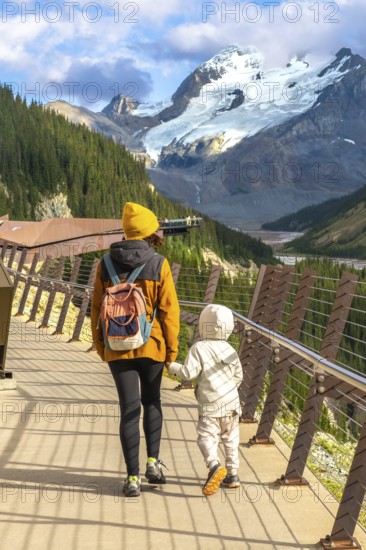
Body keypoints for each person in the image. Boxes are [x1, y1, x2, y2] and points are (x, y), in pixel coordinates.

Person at [91, 202, 180, 497]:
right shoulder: (159, 264)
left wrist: (101, 346)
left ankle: (132, 478)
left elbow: (95, 311)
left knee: (128, 409)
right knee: (152, 402)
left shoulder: (105, 264)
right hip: (152, 345)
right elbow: (169, 312)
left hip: (118, 346)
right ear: (149, 231)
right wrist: (171, 351)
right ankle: (153, 463)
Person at [168, 304, 243, 496]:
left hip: (210, 405)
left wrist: (171, 366)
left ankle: (214, 465)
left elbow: (188, 373)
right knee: (231, 439)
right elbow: (238, 377)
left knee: (206, 437)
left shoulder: (199, 348)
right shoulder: (230, 350)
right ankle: (233, 474)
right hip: (232, 404)